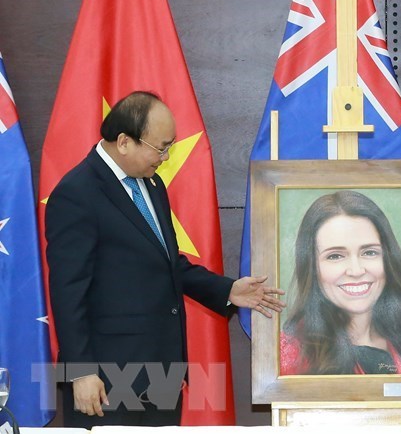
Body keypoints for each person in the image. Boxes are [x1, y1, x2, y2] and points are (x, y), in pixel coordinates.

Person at [45, 91, 285, 427]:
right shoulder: (77, 193)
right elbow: (67, 292)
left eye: (170, 146)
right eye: (161, 147)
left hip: (160, 372)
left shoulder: (152, 184)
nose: (167, 156)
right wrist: (81, 373)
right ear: (125, 142)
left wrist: (227, 290)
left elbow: (167, 263)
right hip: (107, 380)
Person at [280, 190, 401, 375]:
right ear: (312, 268)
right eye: (335, 256)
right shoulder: (289, 355)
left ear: (389, 259)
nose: (356, 271)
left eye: (369, 252)